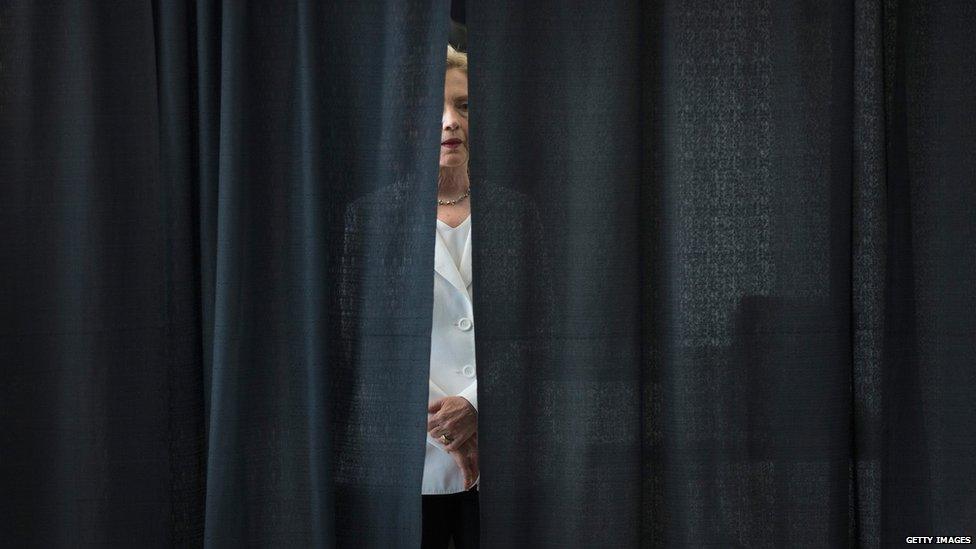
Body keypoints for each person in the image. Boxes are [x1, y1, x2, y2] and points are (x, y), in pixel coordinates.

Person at [421, 44, 480, 549]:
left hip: (506, 453)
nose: (449, 122)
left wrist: (478, 406)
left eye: (463, 106)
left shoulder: (518, 213)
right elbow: (360, 344)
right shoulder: (373, 219)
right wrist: (448, 428)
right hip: (411, 464)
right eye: (435, 107)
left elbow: (544, 333)